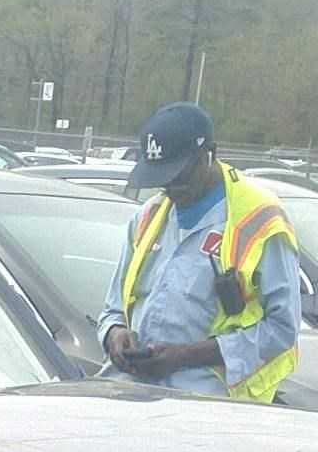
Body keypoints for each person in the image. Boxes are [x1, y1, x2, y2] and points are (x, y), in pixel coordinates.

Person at [96, 102, 300, 403]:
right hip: (134, 392)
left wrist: (187, 356)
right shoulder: (148, 218)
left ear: (208, 156)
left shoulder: (260, 221)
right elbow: (113, 309)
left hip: (210, 406)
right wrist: (115, 335)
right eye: (162, 181)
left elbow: (282, 330)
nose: (170, 189)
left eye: (178, 176)